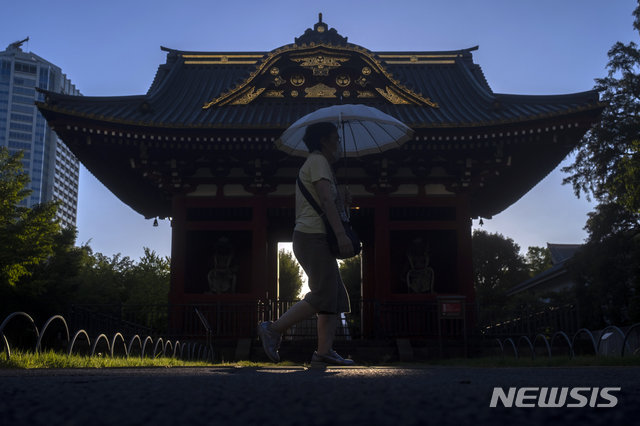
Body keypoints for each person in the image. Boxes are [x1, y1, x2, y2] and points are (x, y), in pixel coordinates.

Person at [257, 122, 355, 367]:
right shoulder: (318, 161)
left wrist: (344, 202)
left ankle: (324, 352)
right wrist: (341, 235)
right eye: (336, 138)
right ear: (324, 141)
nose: (339, 143)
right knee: (323, 293)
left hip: (314, 237)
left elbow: (330, 203)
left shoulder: (319, 165)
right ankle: (273, 328)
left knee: (334, 295)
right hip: (312, 237)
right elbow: (325, 201)